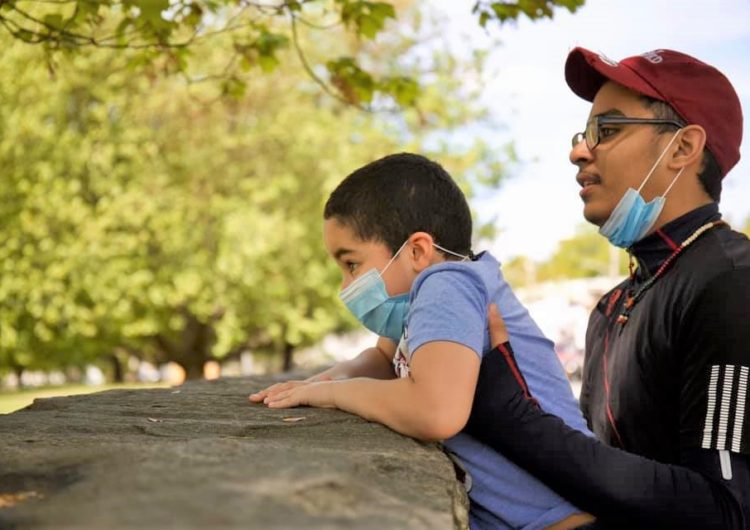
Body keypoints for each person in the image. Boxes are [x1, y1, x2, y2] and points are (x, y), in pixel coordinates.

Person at [464, 47, 750, 529]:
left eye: (609, 131)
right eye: (584, 134)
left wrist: (513, 417)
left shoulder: (732, 285)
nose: (578, 151)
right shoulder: (612, 305)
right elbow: (594, 474)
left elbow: (725, 511)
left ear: (682, 148)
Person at [249, 153, 594, 529]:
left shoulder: (446, 283)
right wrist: (319, 384)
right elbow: (382, 359)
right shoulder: (429, 298)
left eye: (351, 264)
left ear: (416, 251)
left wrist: (333, 395)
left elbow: (436, 412)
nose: (346, 287)